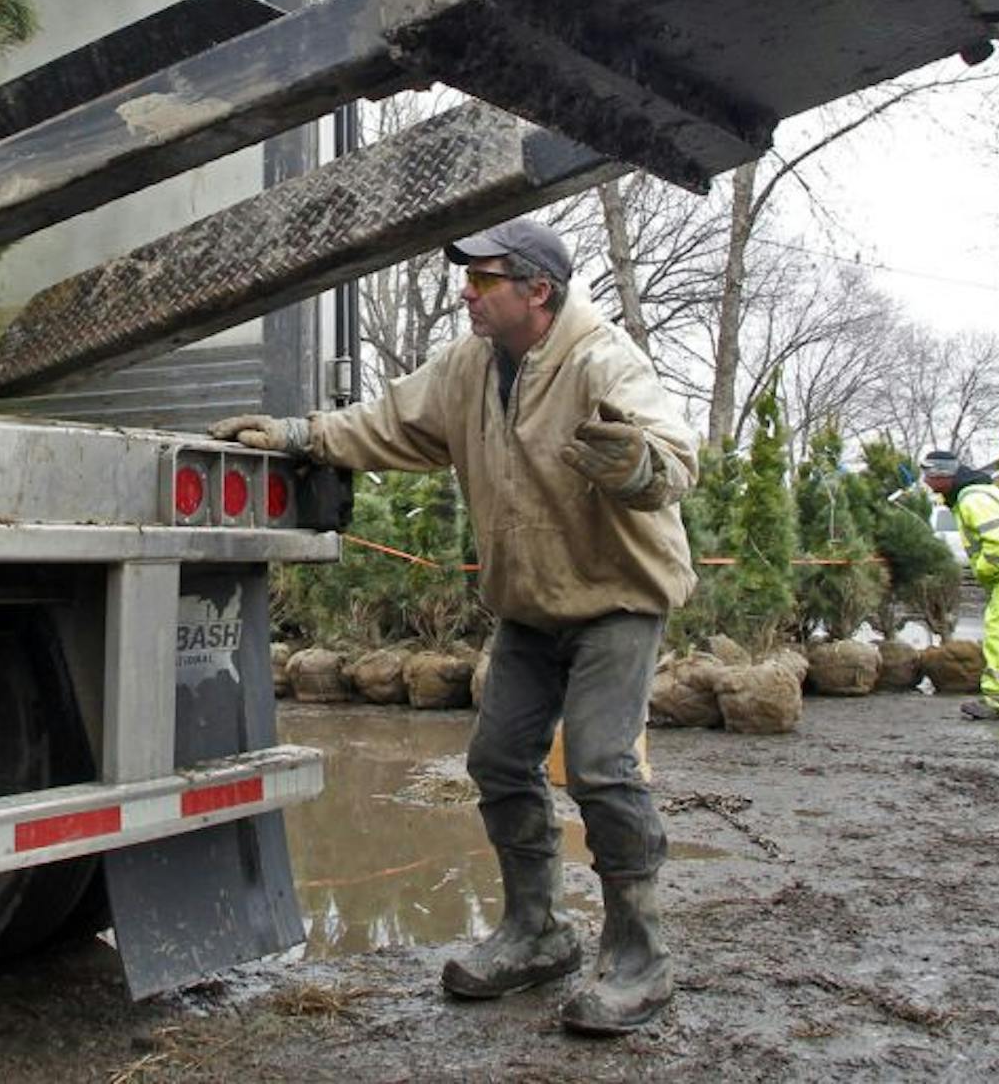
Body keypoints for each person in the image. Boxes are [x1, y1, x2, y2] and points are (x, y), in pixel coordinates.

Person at [211, 217, 697, 1035]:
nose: (465, 294)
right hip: (530, 606)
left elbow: (675, 454)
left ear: (536, 290)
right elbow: (386, 424)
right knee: (499, 759)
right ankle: (538, 930)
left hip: (617, 596)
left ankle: (640, 957)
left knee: (603, 768)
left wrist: (642, 466)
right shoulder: (469, 366)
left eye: (483, 280)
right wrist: (298, 433)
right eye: (464, 280)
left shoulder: (601, 358)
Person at [919, 449, 999, 720]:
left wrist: (984, 570)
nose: (926, 482)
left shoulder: (972, 501)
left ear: (945, 476)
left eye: (929, 476)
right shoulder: (982, 491)